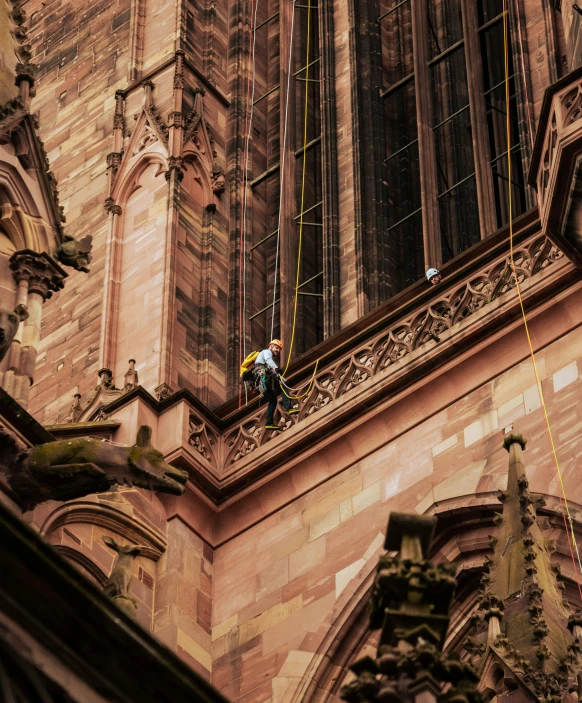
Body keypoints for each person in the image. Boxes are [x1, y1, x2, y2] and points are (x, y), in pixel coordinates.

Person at [255, 339, 298, 430]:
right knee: (283, 386)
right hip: (262, 375)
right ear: (270, 346)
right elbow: (268, 360)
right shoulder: (266, 352)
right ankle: (288, 407)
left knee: (273, 400)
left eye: (279, 349)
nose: (278, 350)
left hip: (260, 382)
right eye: (276, 347)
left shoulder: (262, 355)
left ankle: (269, 422)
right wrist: (276, 368)